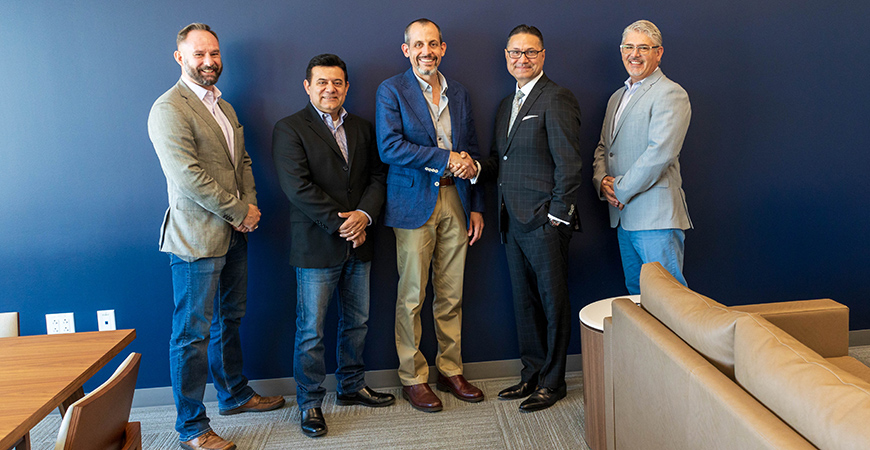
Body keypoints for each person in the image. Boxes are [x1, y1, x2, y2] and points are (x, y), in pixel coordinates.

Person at [148, 23, 284, 450]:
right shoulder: (169, 108)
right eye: (200, 54)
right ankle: (191, 427)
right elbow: (189, 178)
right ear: (180, 57)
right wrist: (241, 210)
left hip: (235, 233)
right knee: (191, 334)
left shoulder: (223, 106)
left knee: (230, 319)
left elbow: (241, 160)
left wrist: (250, 206)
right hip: (195, 239)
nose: (209, 62)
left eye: (215, 53)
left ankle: (235, 394)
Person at [271, 54, 393, 438]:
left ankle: (352, 386)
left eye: (337, 82)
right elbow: (297, 187)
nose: (330, 89)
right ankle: (309, 403)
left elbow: (377, 176)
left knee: (356, 322)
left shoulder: (362, 127)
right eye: (322, 82)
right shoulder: (290, 128)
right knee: (311, 331)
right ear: (307, 86)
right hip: (317, 245)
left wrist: (365, 217)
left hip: (361, 240)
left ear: (347, 87)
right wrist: (347, 224)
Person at [375, 18, 485, 412]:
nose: (427, 52)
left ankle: (451, 369)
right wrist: (446, 159)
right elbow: (390, 148)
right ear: (407, 50)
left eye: (433, 44)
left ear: (443, 48)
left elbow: (471, 147)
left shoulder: (459, 92)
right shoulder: (392, 90)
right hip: (412, 204)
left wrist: (476, 203)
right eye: (418, 45)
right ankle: (413, 376)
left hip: (456, 200)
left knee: (451, 293)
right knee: (412, 295)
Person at [474, 24, 582, 412]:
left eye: (530, 52)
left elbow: (570, 163)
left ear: (543, 55)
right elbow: (498, 161)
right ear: (506, 56)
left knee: (553, 303)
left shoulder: (557, 98)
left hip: (543, 222)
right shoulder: (506, 104)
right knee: (525, 303)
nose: (522, 59)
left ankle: (554, 382)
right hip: (511, 221)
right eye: (515, 53)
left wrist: (556, 215)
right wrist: (470, 168)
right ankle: (532, 374)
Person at [591, 20, 692, 295]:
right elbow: (603, 147)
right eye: (629, 47)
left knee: (670, 300)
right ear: (621, 51)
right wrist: (602, 182)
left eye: (643, 48)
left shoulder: (671, 93)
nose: (634, 54)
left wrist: (619, 190)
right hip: (624, 218)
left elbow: (660, 154)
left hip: (655, 218)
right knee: (637, 299)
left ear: (658, 53)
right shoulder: (616, 98)